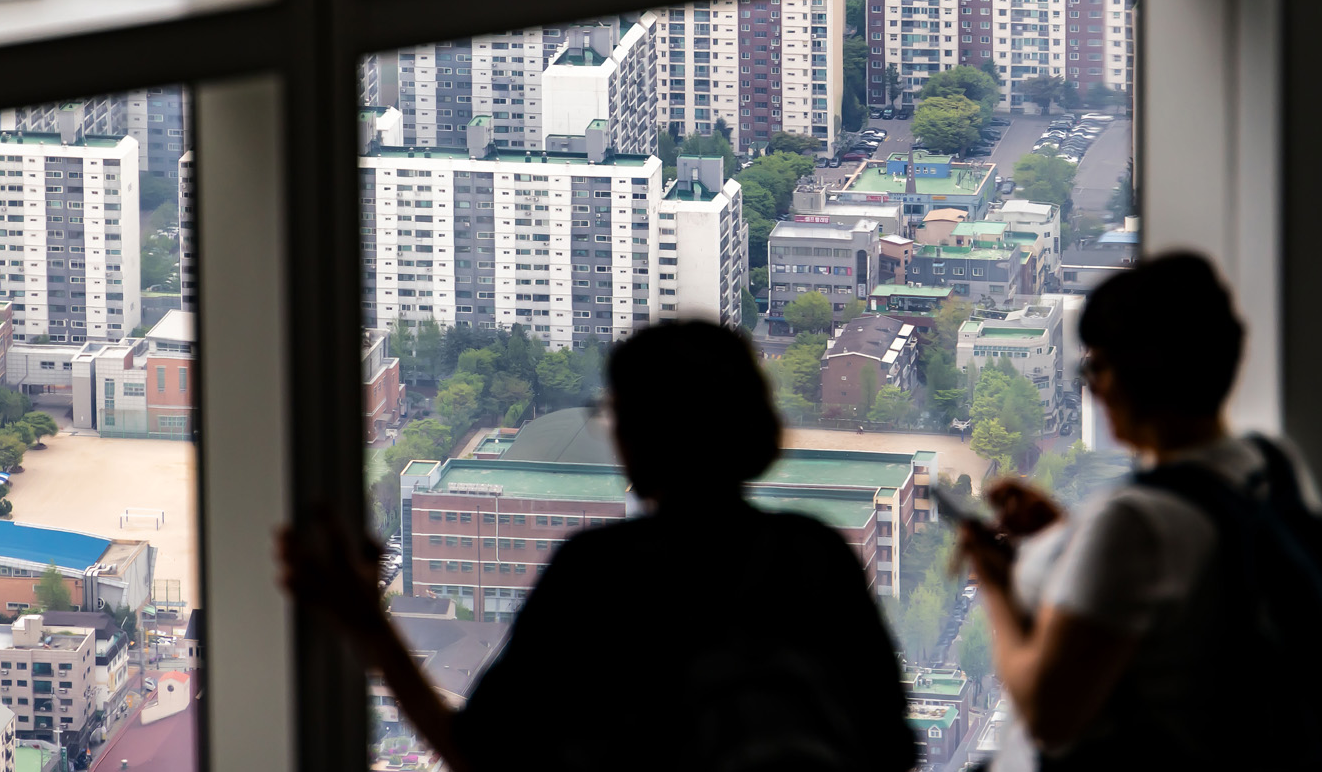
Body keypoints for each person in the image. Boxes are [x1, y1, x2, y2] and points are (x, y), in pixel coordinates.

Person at [281, 320, 918, 772]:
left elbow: (480, 752)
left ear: (636, 437)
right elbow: (890, 747)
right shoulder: (814, 558)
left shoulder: (601, 572)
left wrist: (368, 623)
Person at [955, 252, 1322, 772]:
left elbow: (1048, 715)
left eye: (1096, 365)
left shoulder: (1133, 524)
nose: (1092, 385)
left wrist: (997, 585)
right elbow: (1183, 586)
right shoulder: (1271, 467)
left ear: (1133, 374)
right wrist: (1064, 539)